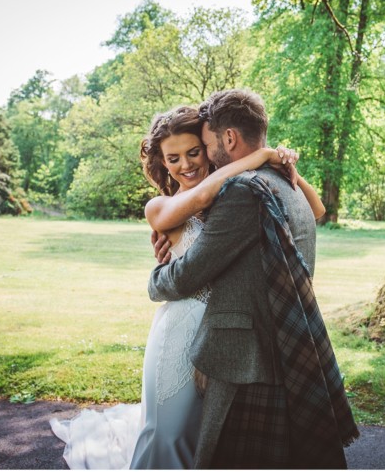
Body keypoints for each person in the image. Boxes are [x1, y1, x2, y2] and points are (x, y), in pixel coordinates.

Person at [49, 105, 322, 469]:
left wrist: (288, 167)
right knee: (168, 433)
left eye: (194, 152)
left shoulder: (232, 197)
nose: (186, 165)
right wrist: (258, 156)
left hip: (220, 338)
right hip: (178, 332)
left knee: (201, 440)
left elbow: (315, 210)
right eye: (172, 158)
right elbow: (200, 198)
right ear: (161, 163)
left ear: (210, 149)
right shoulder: (161, 206)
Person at [148, 89, 359, 469]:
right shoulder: (281, 186)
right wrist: (268, 156)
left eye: (202, 147)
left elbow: (189, 274)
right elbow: (316, 210)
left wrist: (155, 280)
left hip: (245, 351)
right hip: (263, 340)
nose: (197, 160)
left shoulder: (246, 190)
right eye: (173, 158)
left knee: (217, 453)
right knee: (175, 436)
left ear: (227, 139)